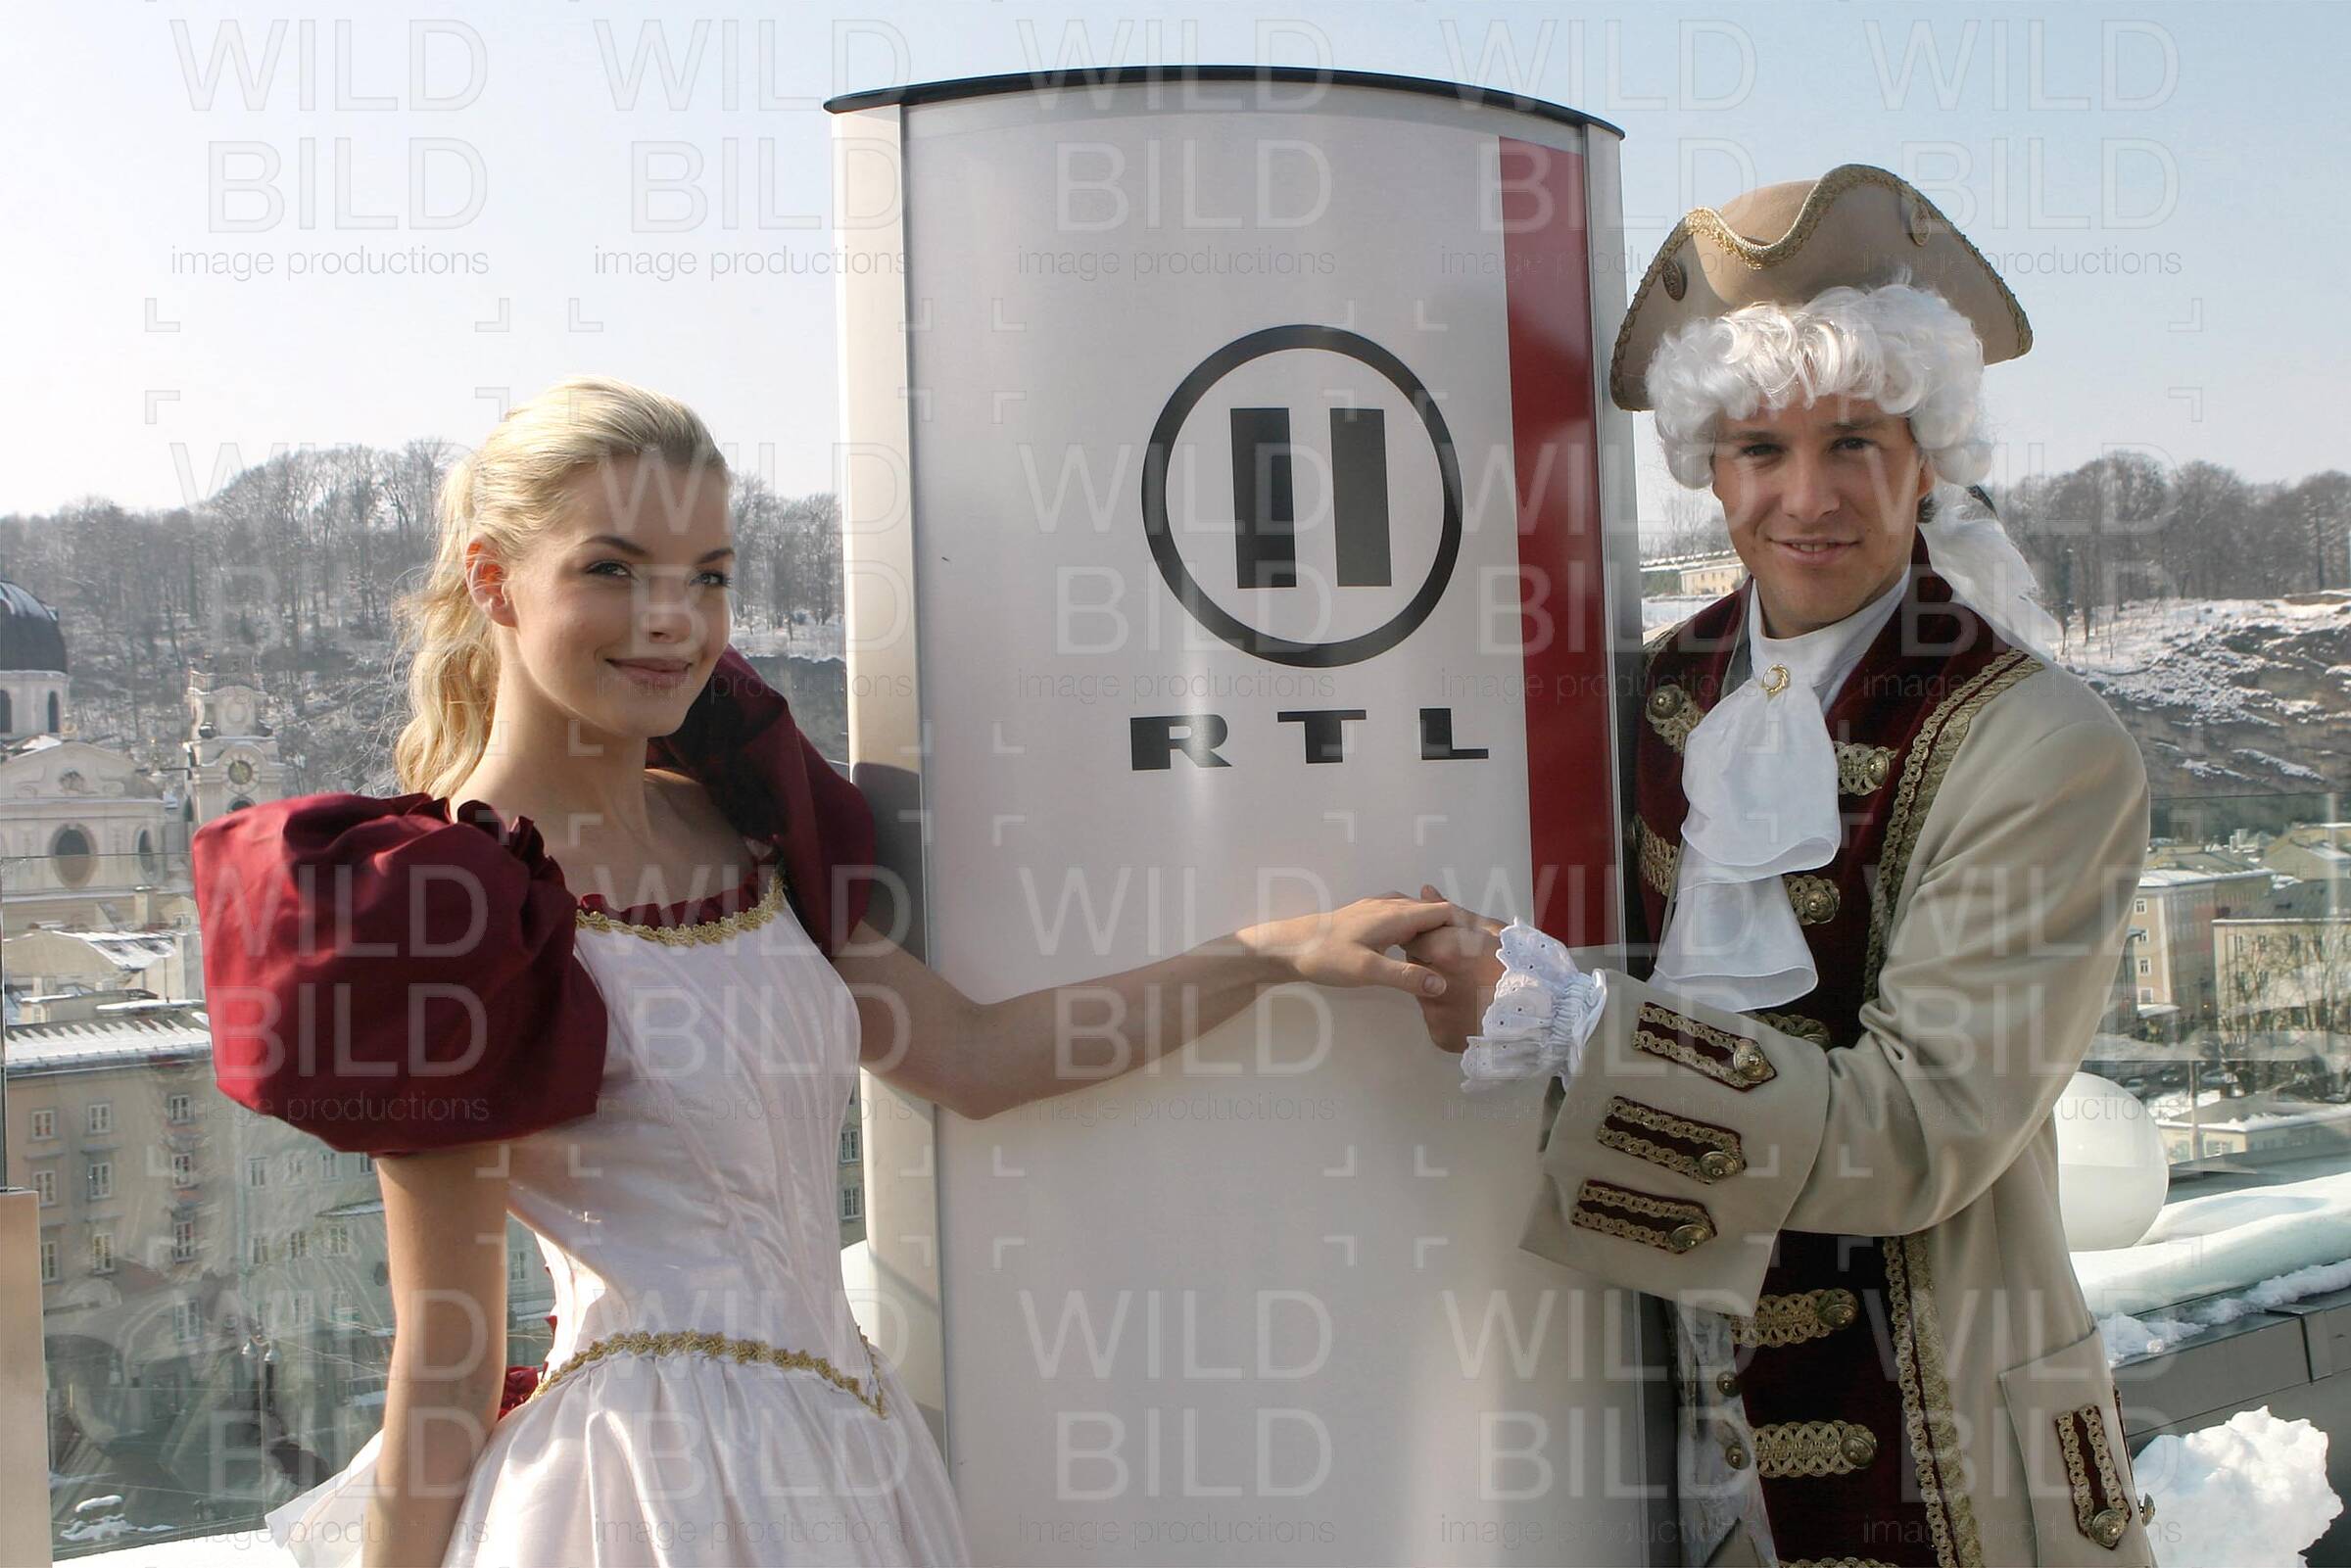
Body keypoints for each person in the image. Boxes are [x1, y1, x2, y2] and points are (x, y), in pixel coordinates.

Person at [190, 375, 1462, 1567]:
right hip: (638, 1496)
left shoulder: (744, 825)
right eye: (612, 569)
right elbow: (447, 1362)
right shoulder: (443, 908)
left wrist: (1274, 953)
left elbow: (979, 1056)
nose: (672, 618)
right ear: (495, 581)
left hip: (852, 1456)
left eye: (708, 575)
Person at [1405, 167, 2160, 1567]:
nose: (1807, 498)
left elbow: (1922, 1126)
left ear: (1928, 455)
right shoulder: (1649, 694)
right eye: (1760, 447)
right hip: (1663, 1465)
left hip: (1945, 1468)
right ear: (1711, 465)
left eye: (1854, 440)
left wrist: (1573, 1029)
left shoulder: (2044, 746)